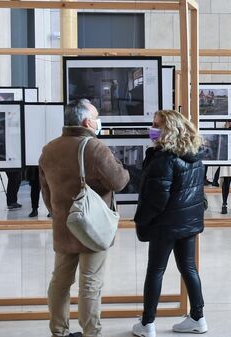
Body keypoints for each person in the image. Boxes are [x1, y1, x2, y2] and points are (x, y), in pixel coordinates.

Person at [39, 99, 130, 337]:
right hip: (92, 226)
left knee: (60, 281)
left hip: (64, 226)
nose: (99, 121)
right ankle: (92, 332)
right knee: (90, 284)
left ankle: (58, 331)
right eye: (97, 116)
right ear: (87, 121)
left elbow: (45, 192)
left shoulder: (49, 149)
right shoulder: (95, 147)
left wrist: (60, 213)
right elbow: (119, 182)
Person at [132, 110, 207, 337]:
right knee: (189, 267)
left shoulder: (163, 159)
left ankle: (147, 323)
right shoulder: (194, 155)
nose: (152, 129)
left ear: (170, 129)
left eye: (157, 125)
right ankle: (198, 318)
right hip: (188, 223)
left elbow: (156, 199)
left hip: (165, 225)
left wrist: (143, 220)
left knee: (155, 270)